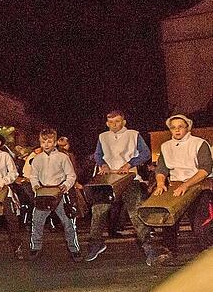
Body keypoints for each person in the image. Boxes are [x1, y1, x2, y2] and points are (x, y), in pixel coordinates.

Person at [85, 111, 162, 264]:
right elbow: (98, 154)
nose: (114, 125)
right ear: (107, 123)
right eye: (111, 122)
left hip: (129, 178)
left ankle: (148, 247)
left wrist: (129, 164)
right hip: (108, 179)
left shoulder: (133, 134)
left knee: (135, 212)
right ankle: (96, 243)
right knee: (98, 210)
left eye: (117, 121)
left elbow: (145, 153)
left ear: (124, 122)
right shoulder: (103, 137)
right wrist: (103, 164)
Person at [151, 114, 213, 253]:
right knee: (169, 221)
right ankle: (169, 252)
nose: (177, 130)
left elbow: (205, 169)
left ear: (188, 128)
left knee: (200, 225)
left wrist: (186, 185)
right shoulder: (166, 146)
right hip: (175, 186)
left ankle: (208, 252)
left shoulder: (199, 143)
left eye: (180, 127)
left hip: (198, 186)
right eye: (173, 128)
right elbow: (162, 168)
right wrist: (160, 183)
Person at [23, 129, 80, 262]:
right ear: (40, 143)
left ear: (55, 142)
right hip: (43, 193)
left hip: (59, 192)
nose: (46, 144)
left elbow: (71, 175)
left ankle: (74, 249)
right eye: (43, 142)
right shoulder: (37, 159)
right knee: (37, 221)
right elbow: (33, 175)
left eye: (49, 142)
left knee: (68, 222)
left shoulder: (63, 157)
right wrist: (35, 186)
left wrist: (66, 185)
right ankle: (35, 247)